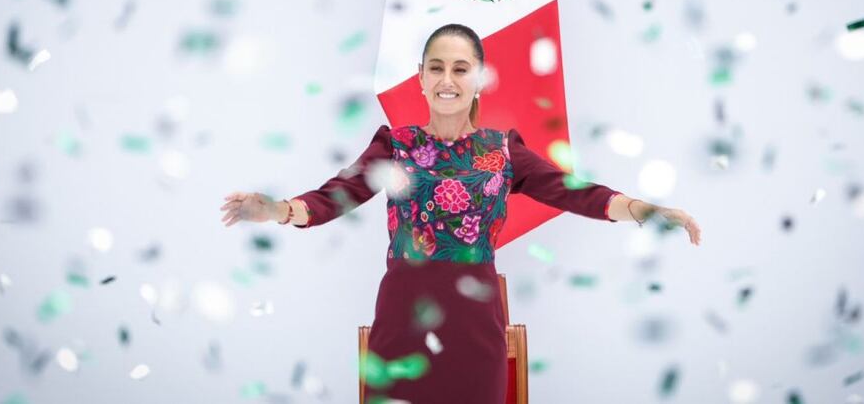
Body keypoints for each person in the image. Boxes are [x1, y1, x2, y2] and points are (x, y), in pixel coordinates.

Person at [220, 23, 702, 403]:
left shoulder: (503, 150)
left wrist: (648, 211)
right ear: (421, 77)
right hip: (402, 327)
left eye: (460, 68)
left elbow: (573, 192)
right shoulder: (395, 145)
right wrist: (279, 209)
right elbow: (336, 194)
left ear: (479, 79)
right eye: (436, 68)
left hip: (475, 332)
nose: (447, 80)